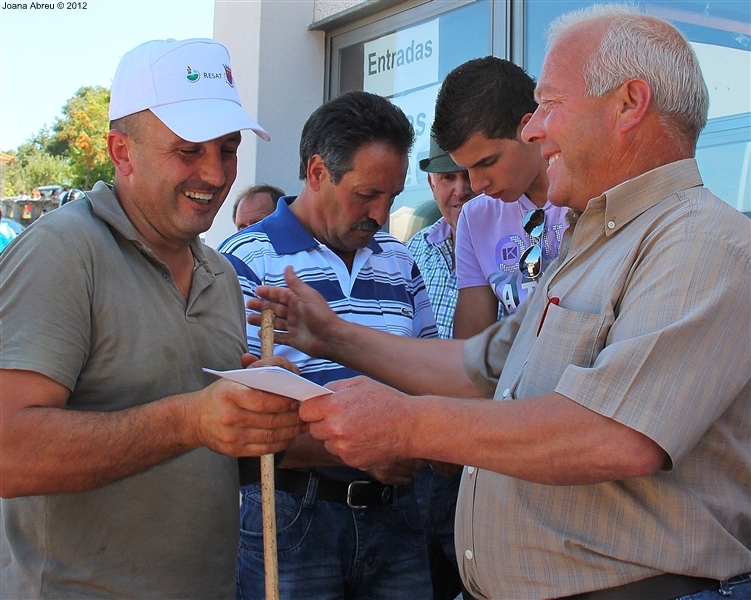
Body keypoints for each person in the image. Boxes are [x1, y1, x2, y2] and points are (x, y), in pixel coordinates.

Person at [248, 6, 751, 599]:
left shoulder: (701, 241)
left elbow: (613, 436)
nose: (533, 129)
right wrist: (332, 335)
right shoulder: (593, 246)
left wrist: (407, 425)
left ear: (629, 104)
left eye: (550, 103)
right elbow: (479, 368)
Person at [0, 38, 303, 600]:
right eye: (189, 150)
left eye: (228, 148)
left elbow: (208, 458)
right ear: (121, 151)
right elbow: (8, 451)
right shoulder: (62, 252)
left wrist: (261, 417)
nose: (215, 174)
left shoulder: (221, 275)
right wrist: (191, 420)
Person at [218, 90, 436, 600]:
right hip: (294, 518)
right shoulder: (246, 261)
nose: (380, 214)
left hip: (400, 513)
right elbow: (232, 423)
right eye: (366, 194)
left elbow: (433, 374)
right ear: (317, 173)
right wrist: (367, 448)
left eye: (392, 196)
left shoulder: (401, 264)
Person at [432, 57, 569, 338]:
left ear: (529, 130)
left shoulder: (589, 198)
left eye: (487, 162)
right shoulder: (476, 217)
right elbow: (468, 354)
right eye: (466, 168)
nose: (477, 184)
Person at [406, 136, 475, 600]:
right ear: (431, 183)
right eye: (447, 177)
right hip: (422, 457)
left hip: (488, 454)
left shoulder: (524, 245)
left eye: (469, 174)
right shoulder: (408, 254)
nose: (461, 190)